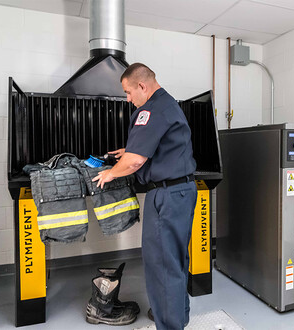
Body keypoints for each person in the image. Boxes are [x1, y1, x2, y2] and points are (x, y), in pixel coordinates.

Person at [92, 63, 197, 329]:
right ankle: (177, 315)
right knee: (175, 259)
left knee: (162, 264)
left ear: (142, 85)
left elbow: (134, 163)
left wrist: (110, 174)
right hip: (181, 191)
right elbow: (163, 144)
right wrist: (130, 148)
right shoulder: (168, 104)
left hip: (166, 196)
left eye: (128, 92)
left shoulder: (149, 110)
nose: (128, 99)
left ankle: (170, 324)